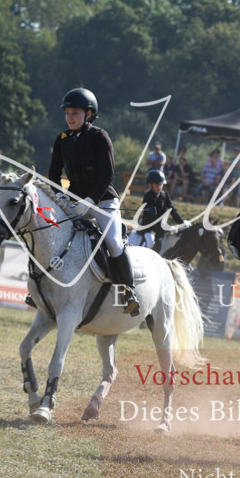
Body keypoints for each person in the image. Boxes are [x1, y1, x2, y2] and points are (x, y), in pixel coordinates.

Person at [47, 87, 139, 316]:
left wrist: (90, 200)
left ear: (89, 114)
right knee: (51, 234)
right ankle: (42, 287)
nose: (70, 117)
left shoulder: (100, 137)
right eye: (67, 113)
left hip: (103, 201)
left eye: (75, 113)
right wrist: (58, 195)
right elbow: (53, 175)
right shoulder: (62, 140)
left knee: (114, 243)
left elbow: (107, 175)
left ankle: (128, 292)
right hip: (73, 202)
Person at [137, 168, 187, 251]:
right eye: (157, 185)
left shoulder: (165, 195)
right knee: (151, 243)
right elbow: (153, 217)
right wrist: (168, 226)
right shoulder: (147, 197)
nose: (159, 187)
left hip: (159, 229)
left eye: (161, 185)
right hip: (148, 228)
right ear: (150, 184)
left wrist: (182, 223)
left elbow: (173, 210)